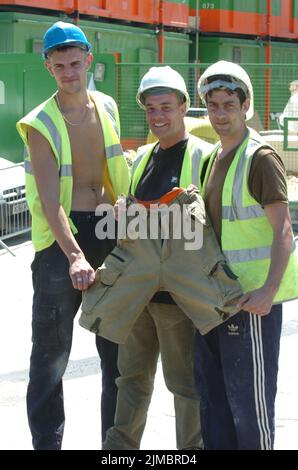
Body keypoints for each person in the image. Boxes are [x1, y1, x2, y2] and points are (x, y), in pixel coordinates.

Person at [16, 21, 130, 450]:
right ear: (48, 67)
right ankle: (48, 444)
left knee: (117, 354)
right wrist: (75, 255)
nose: (69, 72)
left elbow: (117, 173)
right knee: (50, 356)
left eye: (75, 63)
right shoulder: (40, 123)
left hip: (108, 231)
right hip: (61, 245)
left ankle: (114, 448)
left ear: (89, 62)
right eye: (59, 65)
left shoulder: (108, 107)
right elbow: (50, 202)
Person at [102, 66, 213, 450]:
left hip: (178, 299)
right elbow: (133, 221)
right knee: (130, 380)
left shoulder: (204, 155)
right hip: (139, 296)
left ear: (184, 107)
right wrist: (123, 211)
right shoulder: (144, 156)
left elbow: (208, 225)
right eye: (151, 109)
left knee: (184, 386)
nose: (158, 117)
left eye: (166, 107)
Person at [195, 60, 298, 450]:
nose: (220, 114)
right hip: (216, 301)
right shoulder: (214, 158)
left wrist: (269, 290)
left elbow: (283, 230)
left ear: (245, 106)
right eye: (213, 105)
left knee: (250, 413)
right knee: (216, 408)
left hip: (251, 304)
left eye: (228, 105)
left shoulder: (260, 158)